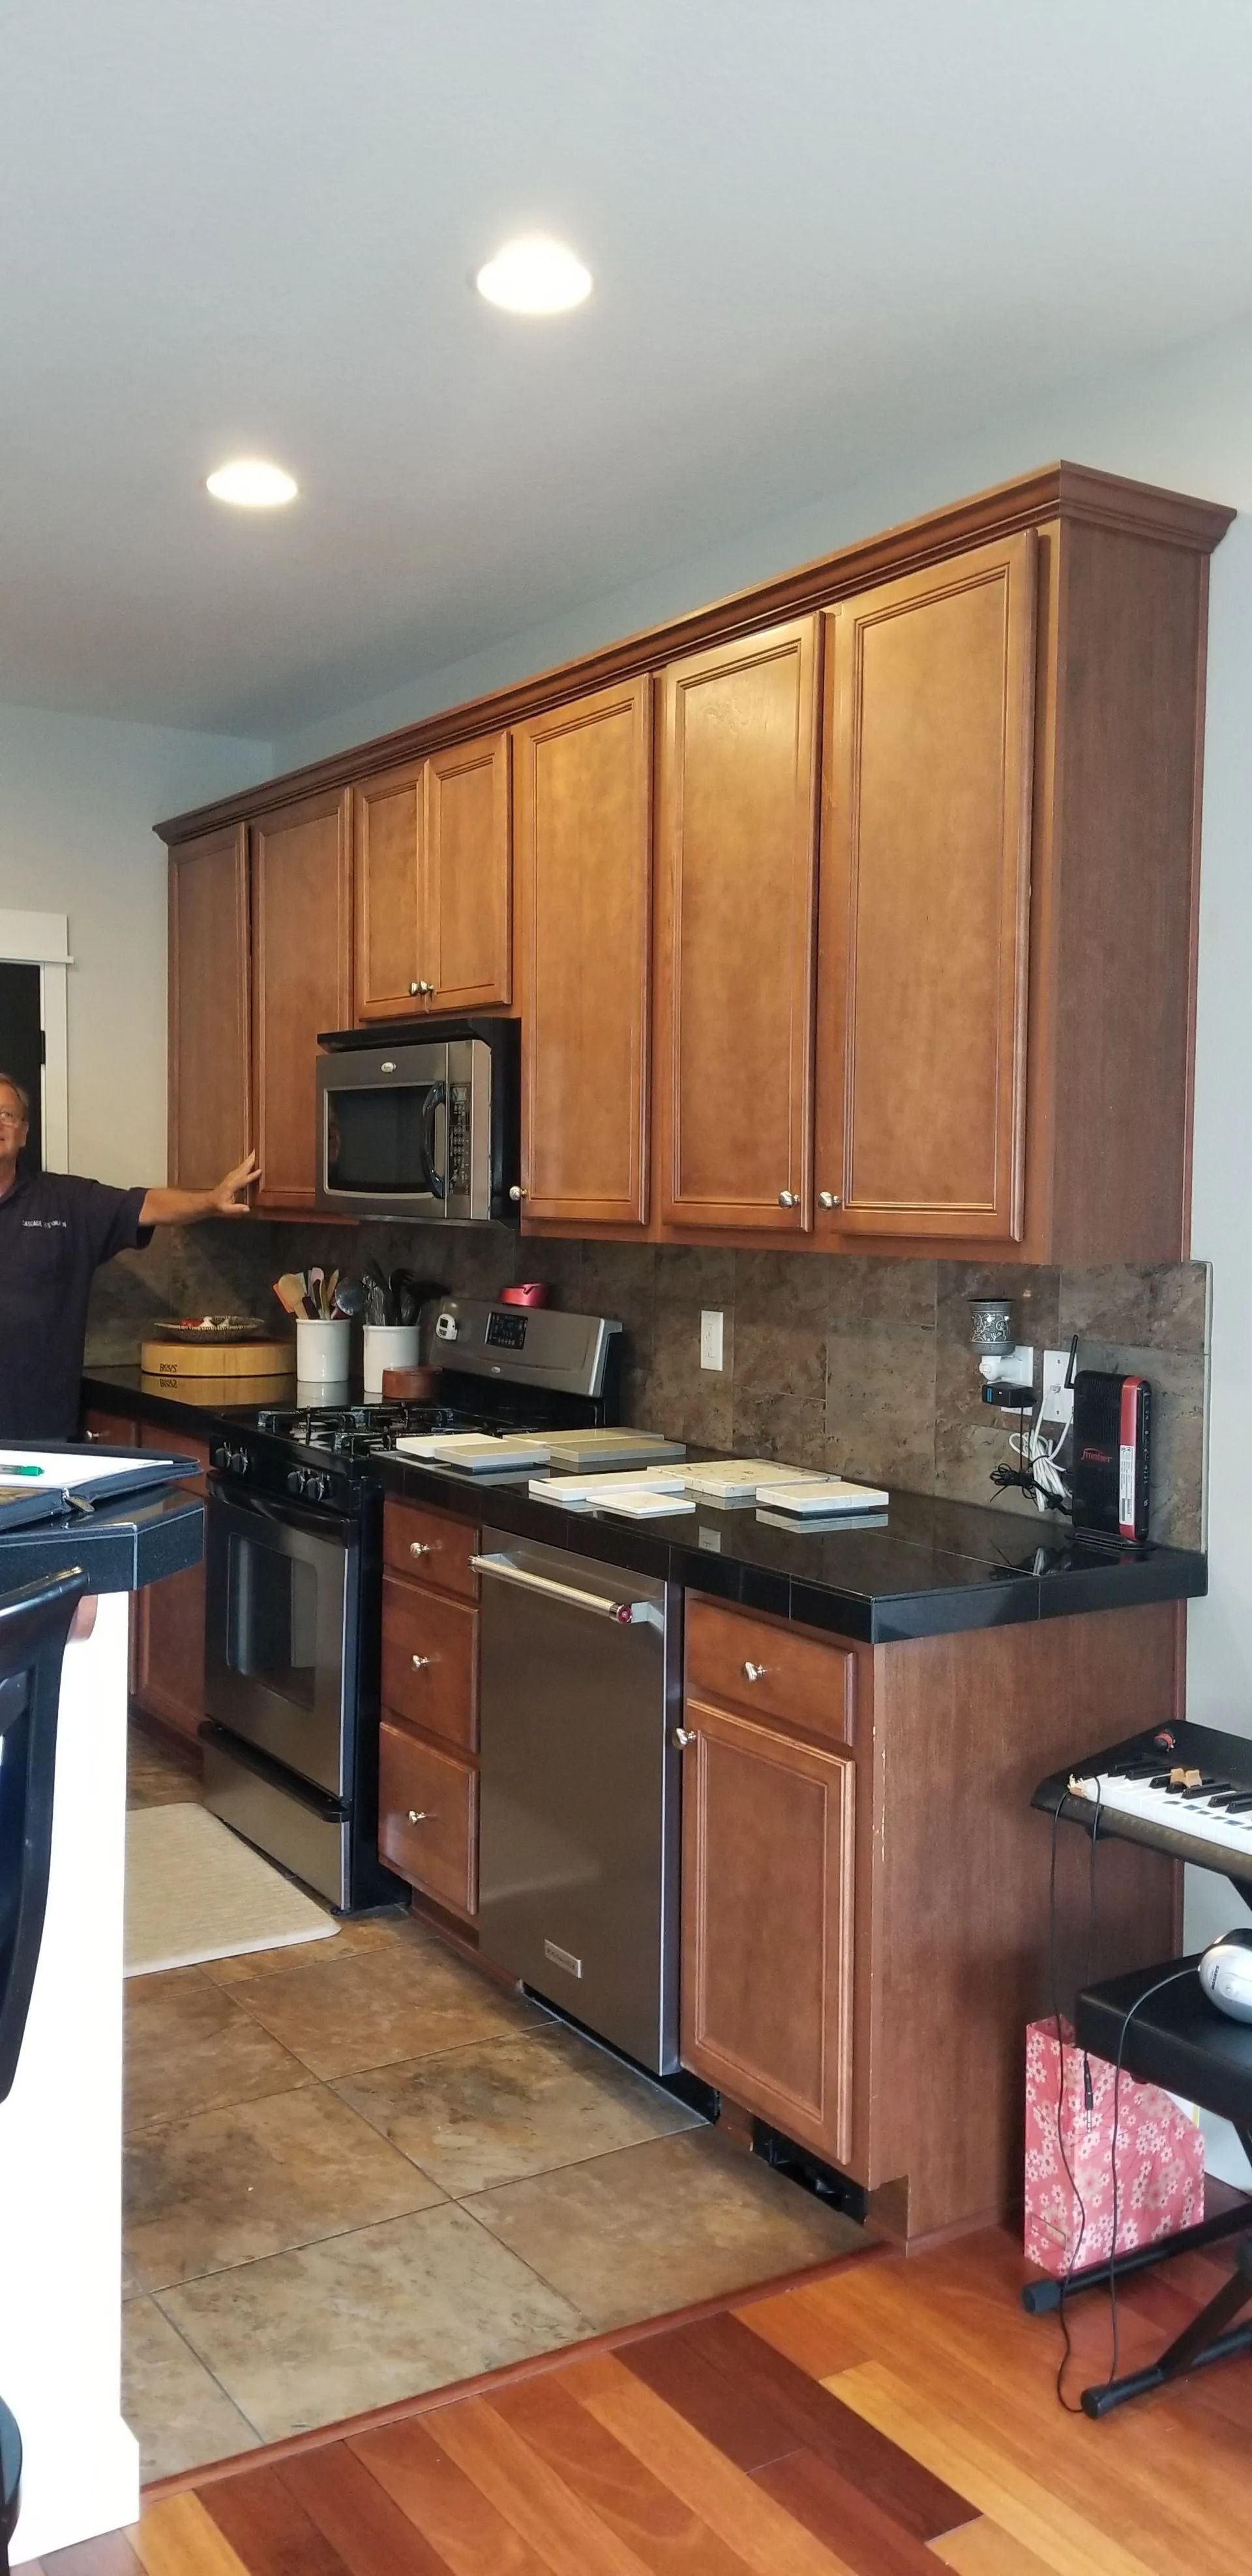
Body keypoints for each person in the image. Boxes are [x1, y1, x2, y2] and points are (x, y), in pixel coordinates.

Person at [0, 1071, 259, 1441]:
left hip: (44, 1440)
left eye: (7, 1115)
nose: (0, 1124)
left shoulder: (66, 1203)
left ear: (24, 1132)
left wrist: (210, 1201)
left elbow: (144, 1204)